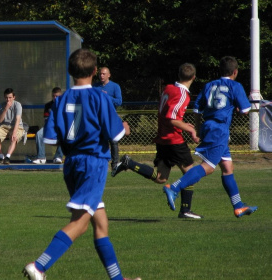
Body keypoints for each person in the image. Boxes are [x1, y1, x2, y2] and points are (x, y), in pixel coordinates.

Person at [22, 48, 139, 280]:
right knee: (80, 223)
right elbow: (115, 135)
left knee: (101, 223)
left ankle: (117, 278)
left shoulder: (60, 99)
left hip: (71, 164)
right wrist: (124, 128)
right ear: (95, 72)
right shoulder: (100, 97)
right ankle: (40, 266)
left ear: (69, 71)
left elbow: (51, 139)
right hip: (93, 163)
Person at [162, 56, 258, 218]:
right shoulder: (235, 86)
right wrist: (236, 107)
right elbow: (245, 110)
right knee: (208, 167)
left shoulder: (209, 85)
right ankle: (174, 187)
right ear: (235, 72)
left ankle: (238, 206)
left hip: (209, 126)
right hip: (219, 129)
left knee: (227, 168)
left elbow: (197, 110)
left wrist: (198, 130)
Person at [112, 63, 203, 219]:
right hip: (174, 140)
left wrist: (184, 124)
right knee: (191, 173)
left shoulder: (168, 88)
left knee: (161, 177)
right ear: (194, 77)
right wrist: (192, 129)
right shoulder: (183, 95)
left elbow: (170, 115)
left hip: (163, 138)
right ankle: (185, 210)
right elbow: (172, 118)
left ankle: (129, 163)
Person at [93, 67, 123, 173]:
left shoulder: (115, 86)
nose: (101, 76)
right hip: (98, 118)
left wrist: (106, 97)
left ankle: (115, 164)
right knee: (99, 141)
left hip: (110, 117)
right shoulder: (95, 86)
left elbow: (119, 102)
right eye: (100, 74)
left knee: (113, 141)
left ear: (109, 75)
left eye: (104, 74)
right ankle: (100, 163)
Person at [0, 88, 25, 165]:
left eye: (10, 97)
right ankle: (1, 156)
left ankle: (7, 157)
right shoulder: (2, 105)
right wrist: (6, 108)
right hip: (4, 126)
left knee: (14, 137)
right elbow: (0, 120)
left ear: (14, 97)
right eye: (6, 97)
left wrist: (14, 132)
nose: (8, 99)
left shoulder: (17, 105)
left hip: (16, 126)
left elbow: (18, 119)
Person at [32, 87, 64, 164]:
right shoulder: (48, 105)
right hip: (49, 127)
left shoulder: (64, 105)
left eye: (57, 96)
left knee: (64, 134)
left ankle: (58, 157)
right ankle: (41, 157)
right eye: (53, 96)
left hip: (60, 127)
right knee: (39, 134)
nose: (55, 98)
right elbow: (46, 119)